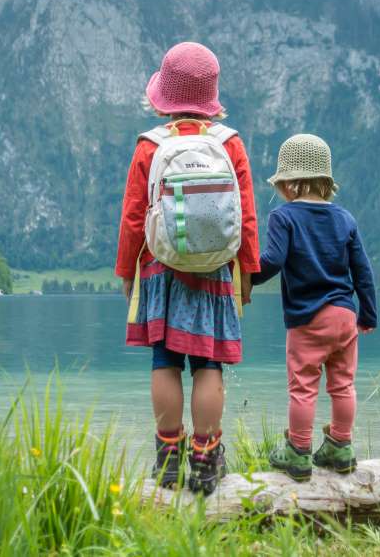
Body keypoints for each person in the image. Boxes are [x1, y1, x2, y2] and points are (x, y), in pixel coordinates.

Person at [116, 42, 259, 494]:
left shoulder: (149, 146)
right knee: (208, 364)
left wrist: (126, 273)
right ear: (211, 98)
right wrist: (247, 274)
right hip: (216, 270)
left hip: (161, 268)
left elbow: (134, 218)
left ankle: (168, 460)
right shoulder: (229, 144)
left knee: (165, 360)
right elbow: (247, 217)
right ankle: (206, 457)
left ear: (164, 97)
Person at [251, 134, 377, 481]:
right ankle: (341, 445)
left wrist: (246, 279)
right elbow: (363, 270)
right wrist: (368, 313)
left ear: (290, 183)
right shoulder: (345, 218)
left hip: (308, 319)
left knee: (303, 387)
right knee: (343, 385)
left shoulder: (284, 217)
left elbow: (273, 260)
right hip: (345, 315)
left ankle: (299, 453)